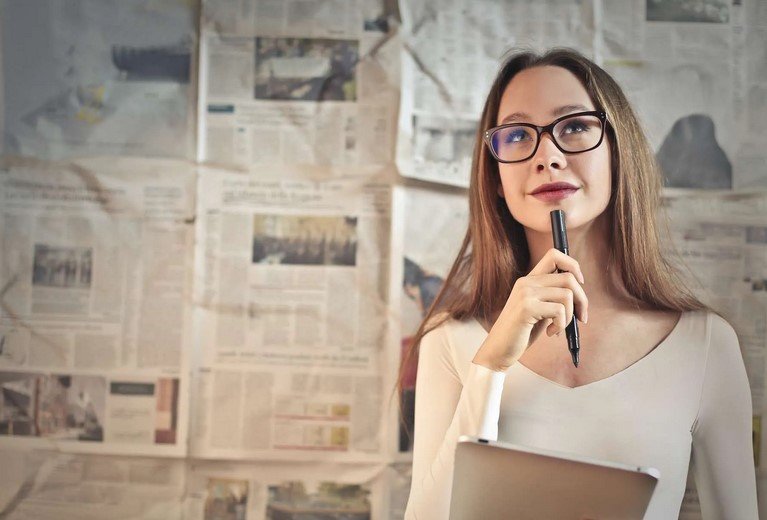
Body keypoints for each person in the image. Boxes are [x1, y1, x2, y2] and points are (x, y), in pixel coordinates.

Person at [400, 47, 758, 519]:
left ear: (618, 150)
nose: (547, 156)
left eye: (573, 127)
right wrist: (488, 368)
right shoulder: (450, 342)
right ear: (495, 178)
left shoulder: (706, 343)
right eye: (517, 135)